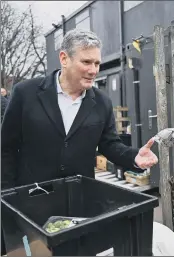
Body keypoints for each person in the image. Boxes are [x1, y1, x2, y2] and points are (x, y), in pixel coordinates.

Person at [1, 29, 158, 190]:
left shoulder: (102, 102)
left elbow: (110, 145)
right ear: (64, 59)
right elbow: (6, 148)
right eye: (86, 62)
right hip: (32, 199)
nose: (93, 70)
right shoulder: (26, 94)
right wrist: (6, 196)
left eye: (97, 63)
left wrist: (135, 156)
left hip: (79, 199)